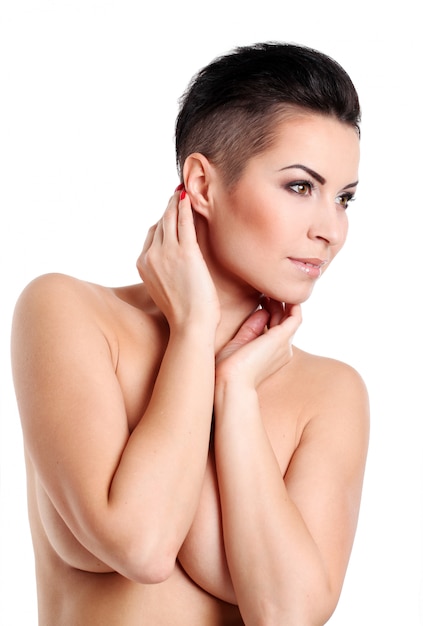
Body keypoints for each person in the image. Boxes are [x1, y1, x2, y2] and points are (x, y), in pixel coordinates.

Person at [11, 42, 369, 626]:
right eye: (301, 187)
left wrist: (235, 395)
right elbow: (142, 544)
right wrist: (193, 334)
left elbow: (288, 616)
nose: (331, 230)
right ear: (201, 184)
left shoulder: (332, 393)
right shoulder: (69, 314)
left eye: (345, 198)